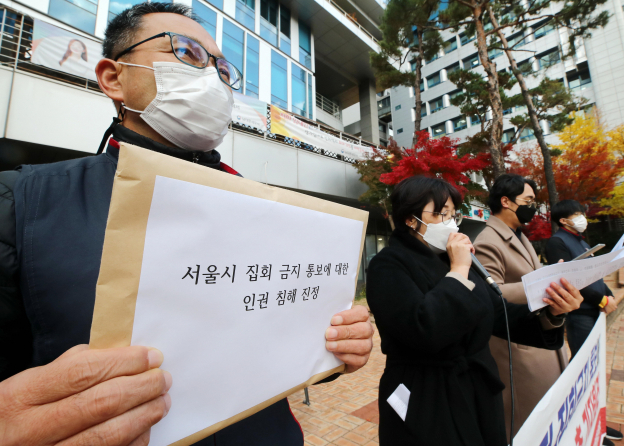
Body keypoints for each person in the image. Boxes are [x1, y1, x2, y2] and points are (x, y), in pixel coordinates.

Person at [0, 4, 375, 446]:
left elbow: (278, 341)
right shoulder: (22, 202)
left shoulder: (270, 214)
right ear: (113, 77)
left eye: (223, 69)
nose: (214, 79)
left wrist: (333, 348)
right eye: (189, 53)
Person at [366, 176, 582, 446]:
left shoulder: (453, 257)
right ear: (410, 219)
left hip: (478, 388)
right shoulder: (387, 264)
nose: (451, 223)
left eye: (453, 214)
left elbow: (498, 313)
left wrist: (552, 313)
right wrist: (458, 272)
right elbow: (423, 330)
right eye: (440, 214)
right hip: (428, 394)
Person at [473, 173, 570, 438]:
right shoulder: (487, 240)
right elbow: (490, 295)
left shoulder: (518, 235)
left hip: (540, 338)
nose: (533, 207)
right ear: (506, 201)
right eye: (528, 200)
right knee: (523, 424)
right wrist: (543, 285)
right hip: (517, 348)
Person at [546, 200, 623, 444]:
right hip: (580, 315)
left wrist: (608, 294)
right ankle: (585, 427)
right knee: (583, 370)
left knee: (594, 368)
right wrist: (601, 300)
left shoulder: (580, 240)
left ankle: (597, 422)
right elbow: (569, 280)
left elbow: (594, 274)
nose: (582, 218)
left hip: (593, 311)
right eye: (577, 214)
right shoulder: (557, 242)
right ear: (563, 220)